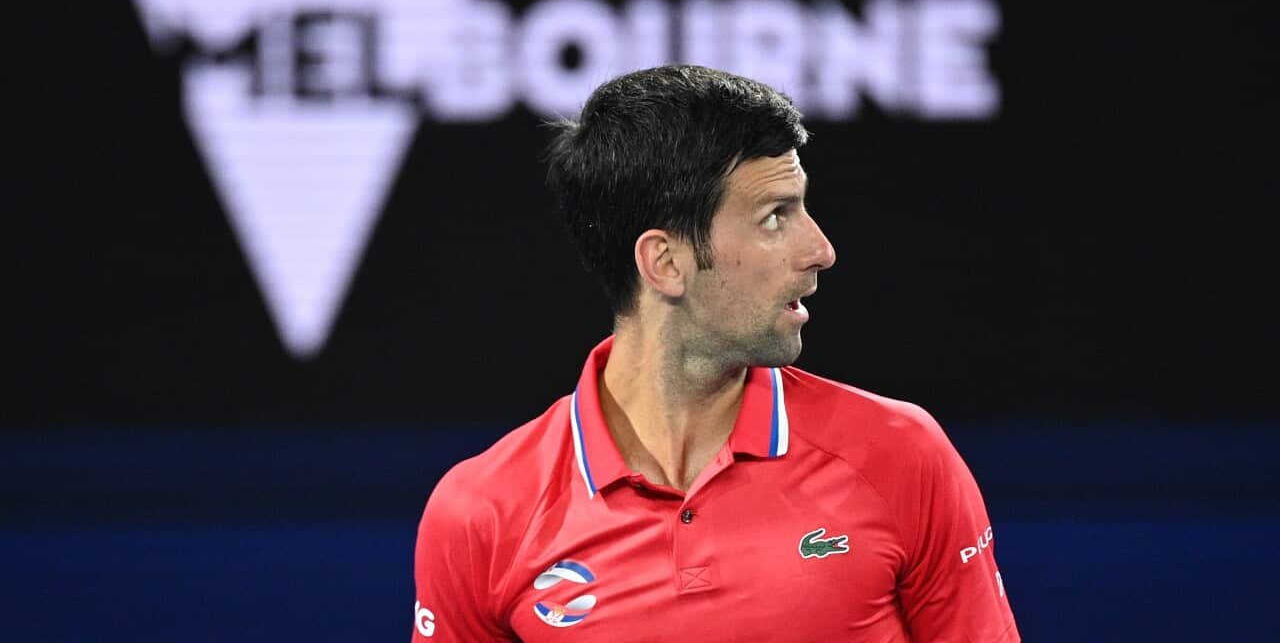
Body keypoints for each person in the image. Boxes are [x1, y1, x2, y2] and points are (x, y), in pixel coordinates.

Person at [411, 64, 1019, 642]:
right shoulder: (482, 512)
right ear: (665, 262)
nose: (821, 249)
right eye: (775, 217)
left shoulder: (899, 454)